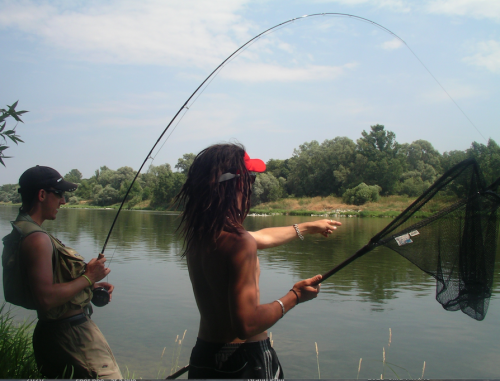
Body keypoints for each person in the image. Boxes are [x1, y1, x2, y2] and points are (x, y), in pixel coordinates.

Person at [174, 143, 342, 379]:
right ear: (233, 184)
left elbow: (261, 237)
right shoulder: (239, 242)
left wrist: (307, 227)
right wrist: (294, 296)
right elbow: (247, 325)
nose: (251, 187)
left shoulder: (201, 236)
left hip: (203, 357)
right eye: (250, 179)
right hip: (243, 360)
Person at [1, 166, 122, 379]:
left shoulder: (21, 231)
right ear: (41, 195)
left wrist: (89, 284)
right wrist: (89, 277)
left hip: (52, 336)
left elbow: (42, 285)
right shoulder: (37, 239)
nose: (63, 201)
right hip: (73, 337)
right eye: (59, 194)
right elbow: (46, 298)